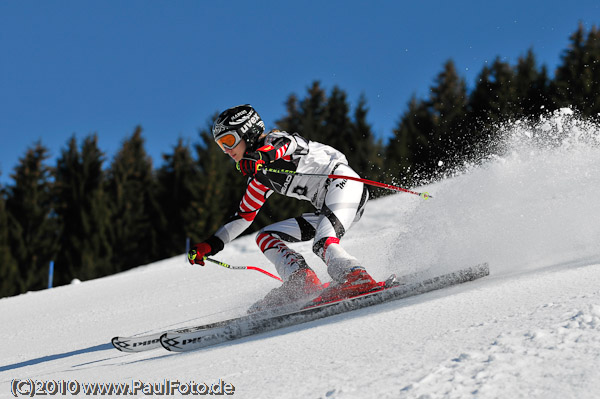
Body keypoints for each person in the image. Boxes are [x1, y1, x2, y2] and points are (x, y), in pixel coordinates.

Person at [188, 104, 378, 311]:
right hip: (325, 207)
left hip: (345, 184)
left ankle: (355, 277)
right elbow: (244, 216)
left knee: (322, 242)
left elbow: (288, 144)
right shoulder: (259, 178)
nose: (227, 150)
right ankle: (301, 282)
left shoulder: (276, 142)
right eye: (221, 145)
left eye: (229, 141)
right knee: (265, 236)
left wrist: (260, 157)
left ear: (248, 132)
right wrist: (211, 244)